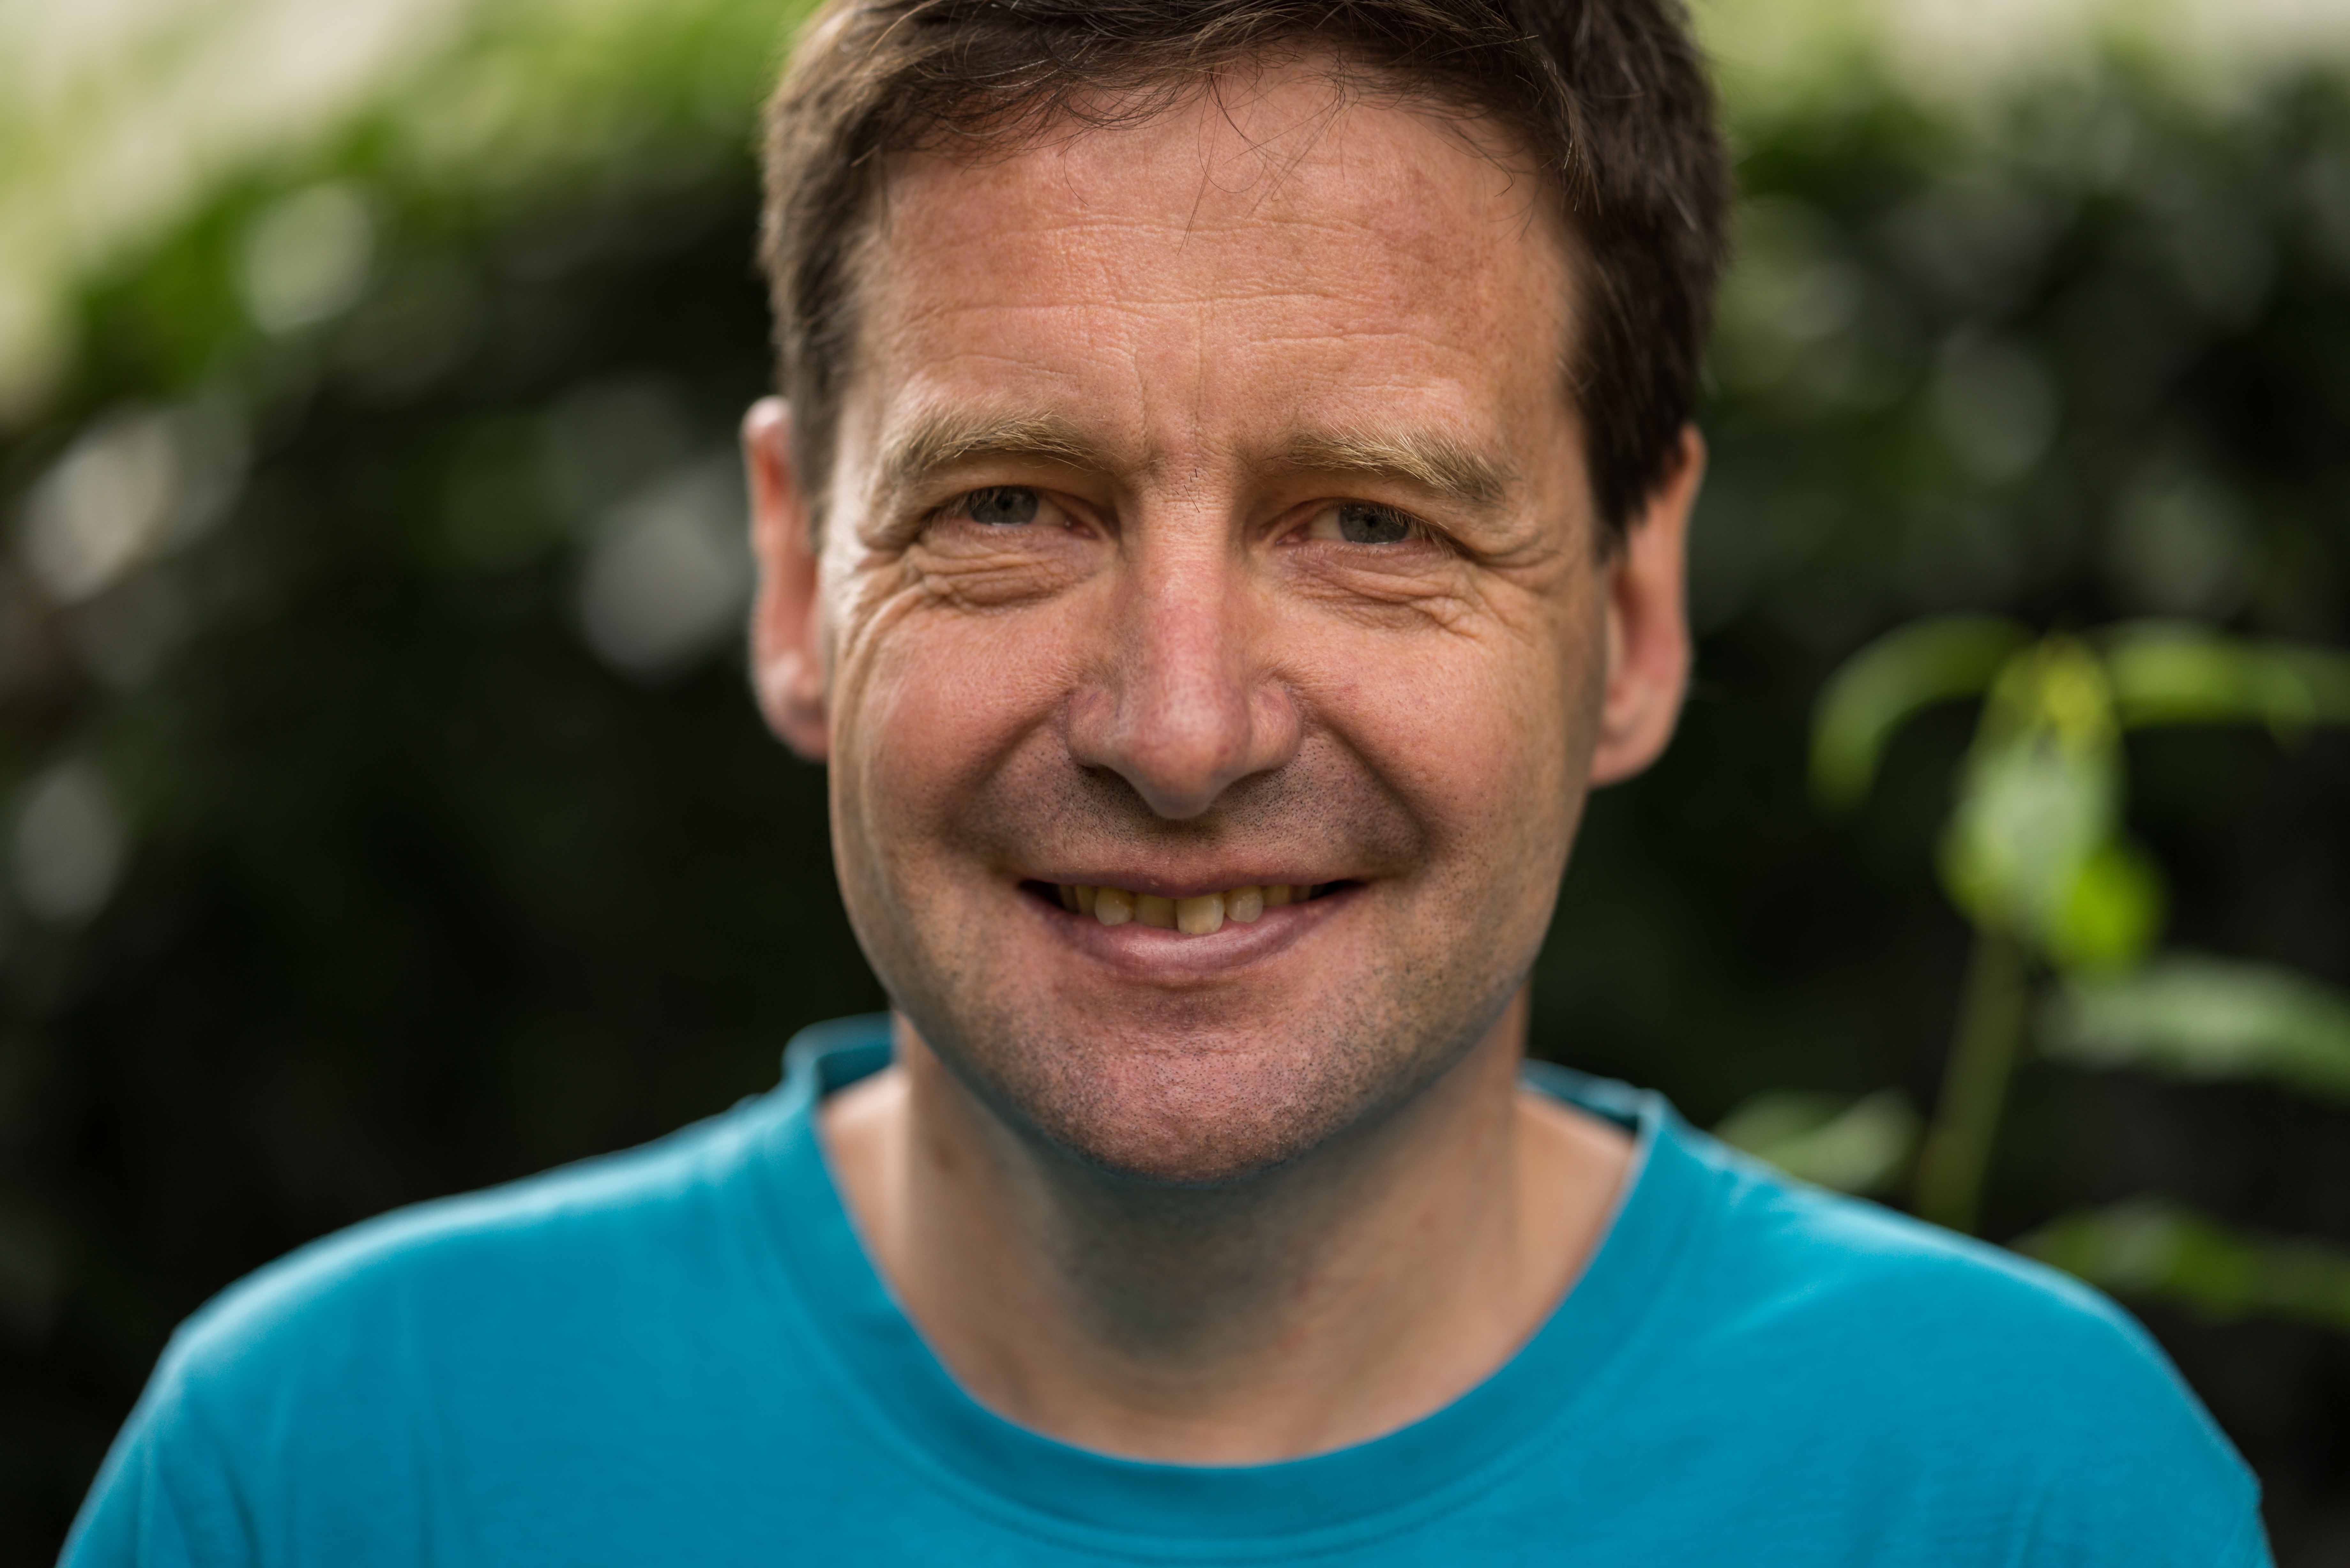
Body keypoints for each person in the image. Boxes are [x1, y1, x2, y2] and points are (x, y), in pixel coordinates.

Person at [65, 0, 2269, 1563]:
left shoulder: (2017, 1499)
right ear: (798, 578)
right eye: (1012, 508)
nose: (1181, 728)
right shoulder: (329, 1479)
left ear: (1635, 609)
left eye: (1372, 523)